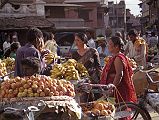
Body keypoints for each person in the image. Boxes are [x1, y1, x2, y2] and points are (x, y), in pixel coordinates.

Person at [100, 36, 137, 104]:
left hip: (118, 89)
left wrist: (112, 87)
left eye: (110, 44)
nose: (108, 45)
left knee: (119, 110)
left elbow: (119, 74)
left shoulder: (118, 58)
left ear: (116, 46)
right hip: (113, 87)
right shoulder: (115, 57)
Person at [72, 32, 102, 102]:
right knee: (83, 102)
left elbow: (98, 66)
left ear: (83, 41)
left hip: (93, 81)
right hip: (81, 82)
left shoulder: (93, 51)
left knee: (95, 102)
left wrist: (101, 79)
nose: (75, 42)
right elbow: (73, 68)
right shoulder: (74, 55)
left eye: (78, 40)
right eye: (75, 40)